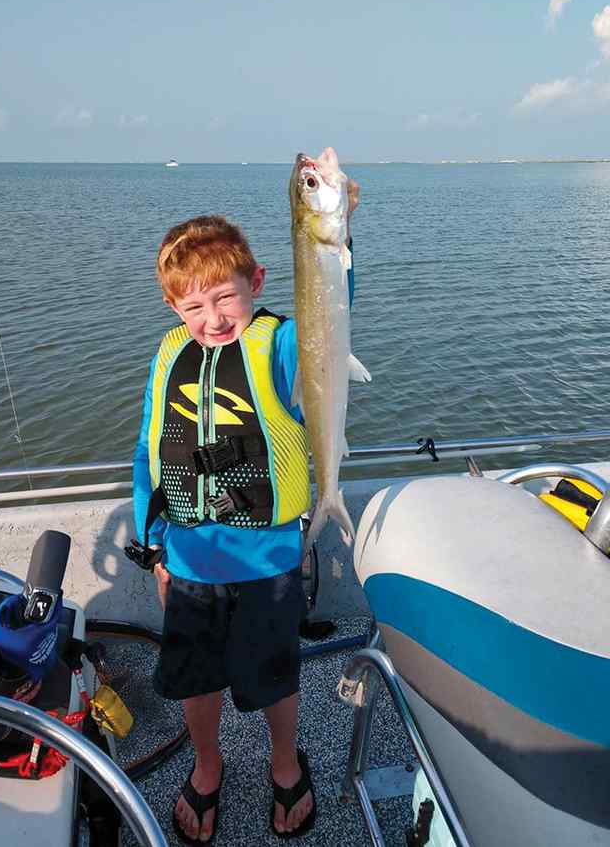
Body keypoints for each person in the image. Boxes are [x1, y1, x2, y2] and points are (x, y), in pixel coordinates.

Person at [131, 180, 359, 844]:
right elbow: (146, 451)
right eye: (194, 304)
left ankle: (285, 762)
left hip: (268, 558)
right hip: (189, 558)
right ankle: (208, 766)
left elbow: (332, 313)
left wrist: (338, 235)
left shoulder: (282, 345)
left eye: (226, 296)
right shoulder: (169, 354)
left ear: (256, 283)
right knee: (197, 681)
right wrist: (153, 549)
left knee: (273, 675)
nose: (213, 317)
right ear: (173, 304)